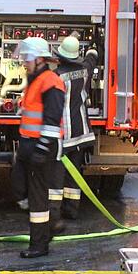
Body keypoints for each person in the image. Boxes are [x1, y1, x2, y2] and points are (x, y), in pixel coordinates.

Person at [10, 37, 66, 258]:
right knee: (19, 189)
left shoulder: (51, 81)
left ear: (40, 59)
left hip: (40, 148)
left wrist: (42, 149)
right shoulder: (35, 79)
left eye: (27, 58)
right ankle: (51, 225)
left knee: (37, 198)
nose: (24, 62)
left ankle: (40, 244)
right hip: (27, 145)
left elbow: (53, 120)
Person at [53, 33, 100, 220]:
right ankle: (71, 210)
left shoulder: (56, 76)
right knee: (75, 173)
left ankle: (54, 210)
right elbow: (91, 59)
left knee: (57, 173)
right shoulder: (85, 71)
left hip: (62, 134)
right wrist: (94, 46)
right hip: (81, 134)